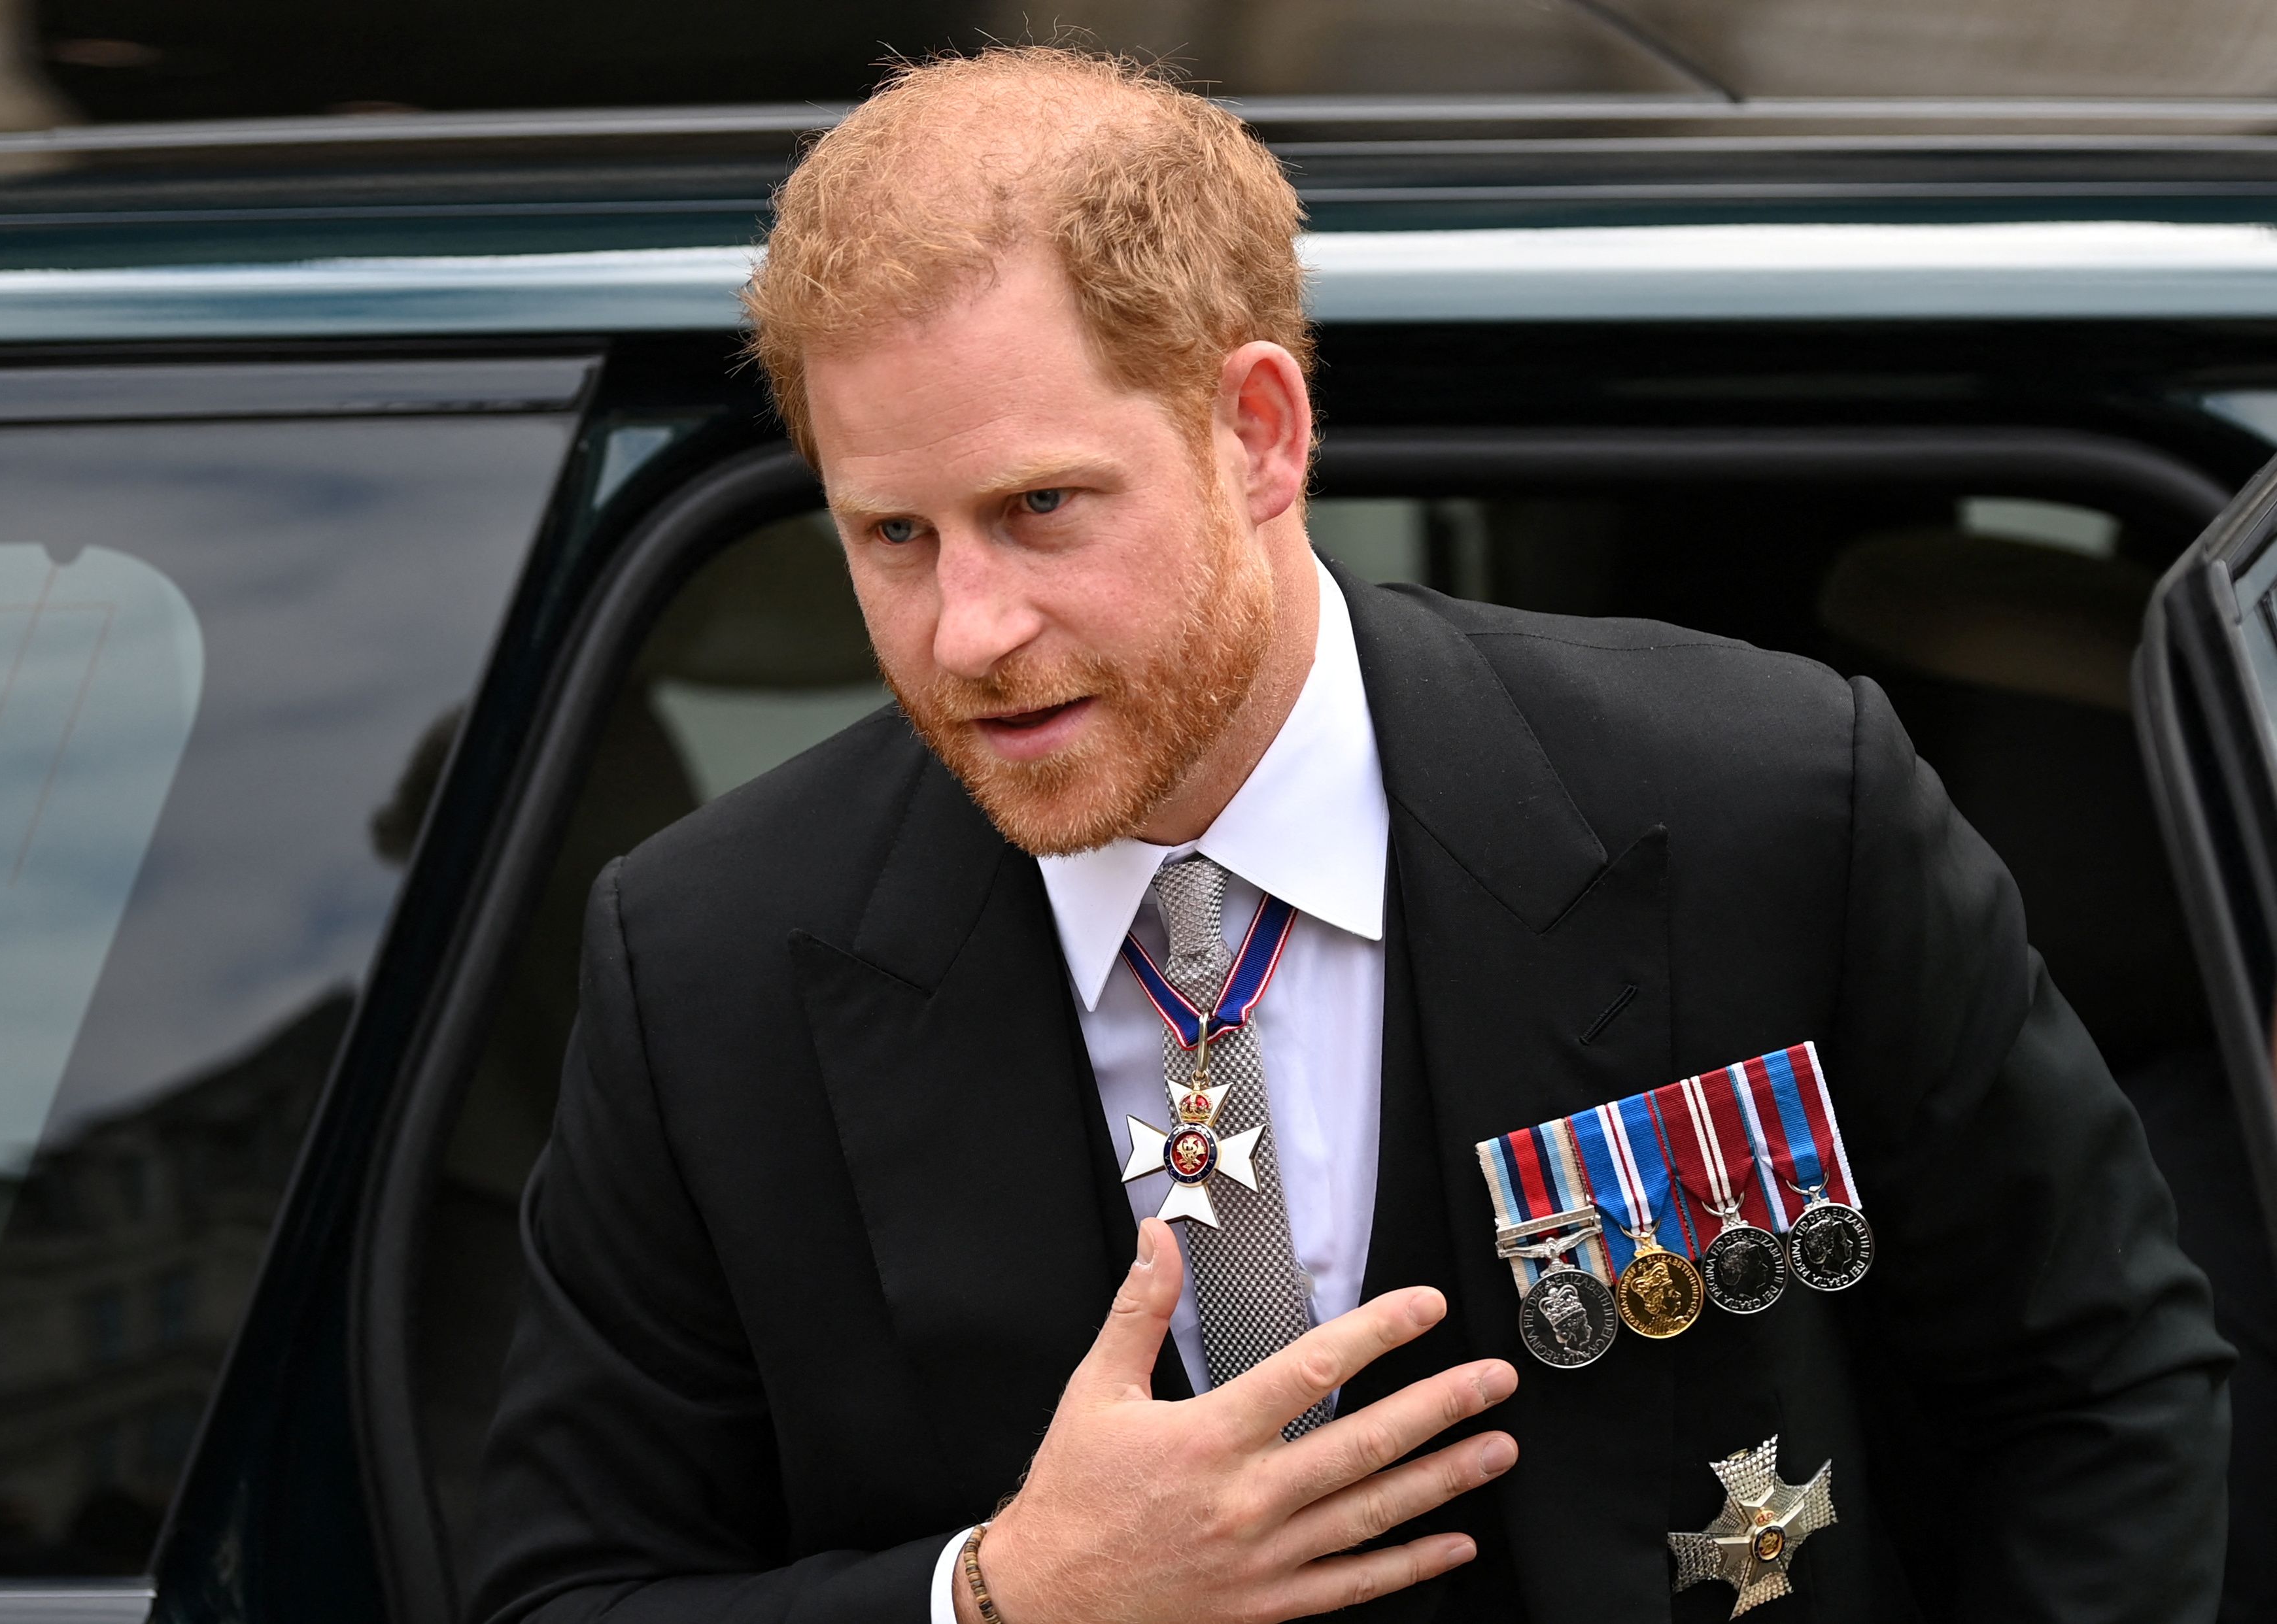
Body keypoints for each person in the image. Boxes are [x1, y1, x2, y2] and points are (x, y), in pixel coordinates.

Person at [468, 47, 2233, 1624]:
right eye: (892, 536)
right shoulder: (704, 967)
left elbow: (2104, 1388)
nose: (966, 631)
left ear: (1255, 434)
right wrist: (1002, 1598)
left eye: (1039, 508)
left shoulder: (1769, 799)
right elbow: (561, 1586)